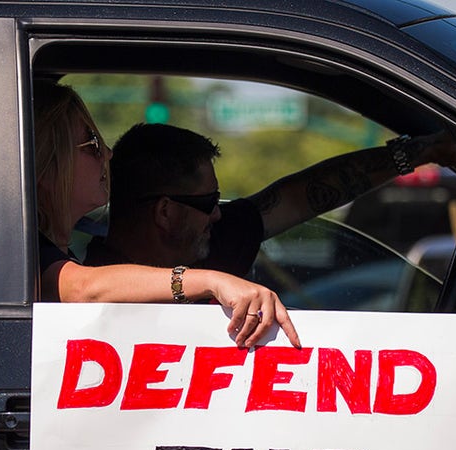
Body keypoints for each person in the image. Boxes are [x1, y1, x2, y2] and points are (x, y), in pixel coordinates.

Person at [32, 80, 298, 349]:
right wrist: (211, 280)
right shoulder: (25, 254)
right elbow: (81, 288)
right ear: (47, 162)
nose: (108, 154)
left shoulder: (51, 252)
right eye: (91, 144)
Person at [86, 122, 456, 277]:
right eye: (207, 203)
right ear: (165, 212)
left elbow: (302, 195)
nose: (218, 214)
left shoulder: (210, 242)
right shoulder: (86, 292)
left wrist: (419, 153)